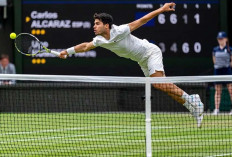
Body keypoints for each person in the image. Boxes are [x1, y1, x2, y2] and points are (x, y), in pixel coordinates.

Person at [59, 3, 204, 127]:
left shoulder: (120, 30)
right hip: (141, 60)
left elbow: (142, 20)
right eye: (94, 23)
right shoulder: (99, 40)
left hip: (150, 52)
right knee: (163, 86)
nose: (94, 26)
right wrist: (67, 51)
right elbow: (85, 47)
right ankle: (191, 106)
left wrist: (162, 9)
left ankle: (193, 100)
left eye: (97, 23)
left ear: (106, 25)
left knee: (159, 84)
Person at [212, 31, 232, 115]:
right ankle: (216, 109)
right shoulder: (215, 49)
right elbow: (214, 60)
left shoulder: (229, 49)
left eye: (222, 38)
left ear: (226, 39)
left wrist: (227, 66)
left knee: (231, 90)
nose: (220, 40)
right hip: (218, 71)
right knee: (218, 91)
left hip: (227, 70)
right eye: (219, 39)